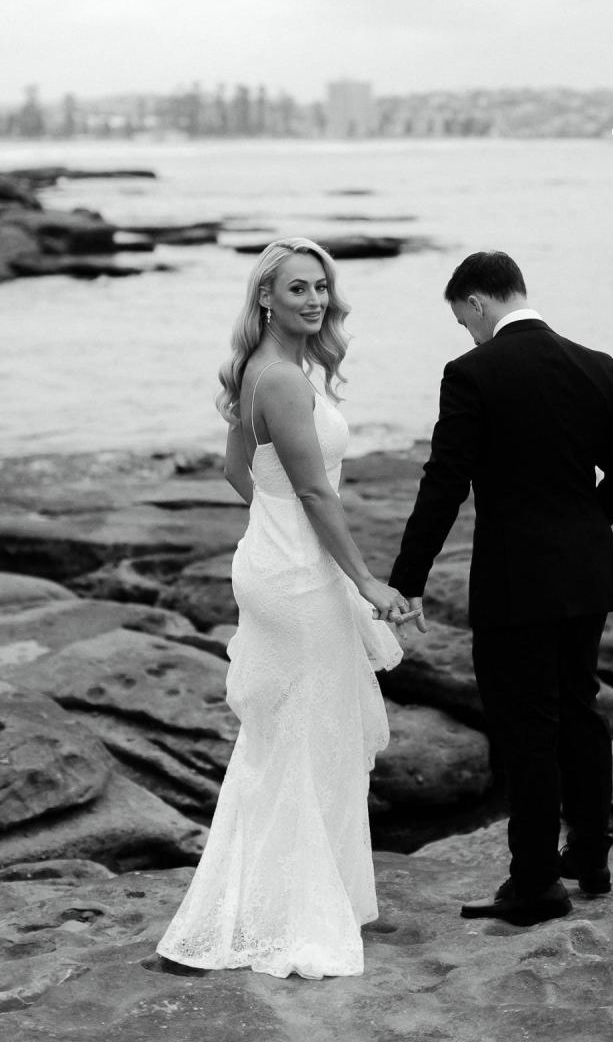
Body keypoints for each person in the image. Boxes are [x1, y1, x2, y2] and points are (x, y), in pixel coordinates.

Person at [157, 237, 412, 979]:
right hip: (299, 579)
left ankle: (283, 898)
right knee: (305, 739)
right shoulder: (284, 382)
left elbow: (241, 471)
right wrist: (367, 582)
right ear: (266, 297)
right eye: (298, 288)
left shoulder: (259, 372)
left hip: (275, 564)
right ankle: (291, 916)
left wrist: (275, 525)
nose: (314, 300)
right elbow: (310, 491)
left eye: (321, 289)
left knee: (293, 736)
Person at [389, 251, 613, 927]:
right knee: (580, 709)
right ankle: (589, 860)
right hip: (587, 572)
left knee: (525, 729)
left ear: (476, 303)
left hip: (513, 582)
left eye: (463, 319)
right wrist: (581, 530)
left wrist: (406, 578)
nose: (467, 334)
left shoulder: (473, 372)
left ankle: (534, 883)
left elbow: (445, 482)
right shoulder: (598, 364)